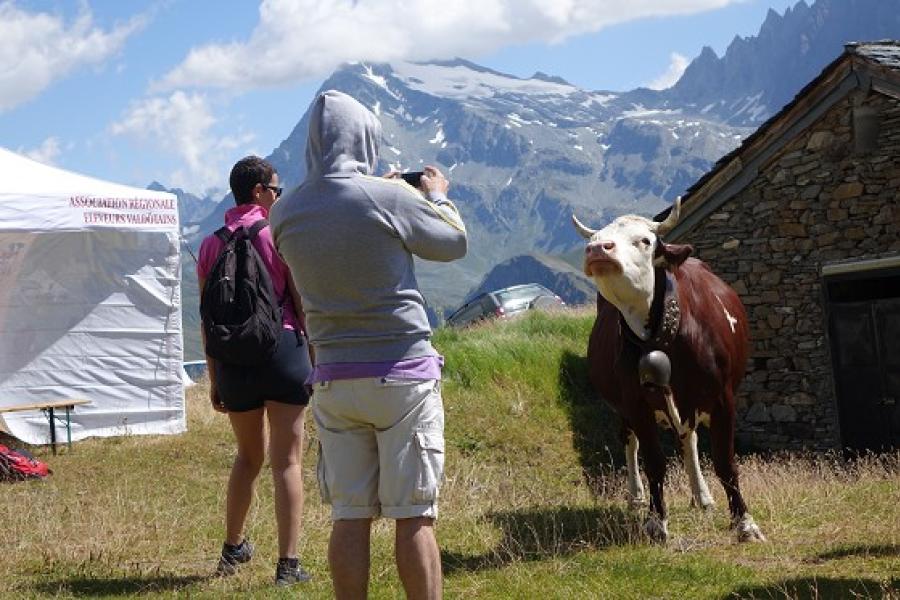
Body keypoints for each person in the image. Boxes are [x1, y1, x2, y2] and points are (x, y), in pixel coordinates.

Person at [270, 90, 467, 600]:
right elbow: (452, 242)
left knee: (350, 516)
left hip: (334, 379)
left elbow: (339, 216)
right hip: (402, 376)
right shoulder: (392, 198)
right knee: (414, 515)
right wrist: (435, 195)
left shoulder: (285, 212)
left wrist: (369, 193)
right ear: (365, 139)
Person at [197, 155, 314, 586]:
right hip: (283, 351)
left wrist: (214, 378)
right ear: (260, 192)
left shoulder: (210, 244)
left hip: (233, 362)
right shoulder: (276, 234)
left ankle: (232, 549)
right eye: (276, 190)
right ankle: (288, 565)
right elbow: (299, 302)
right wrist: (313, 357)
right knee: (287, 462)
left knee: (247, 458)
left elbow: (206, 319)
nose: (279, 197)